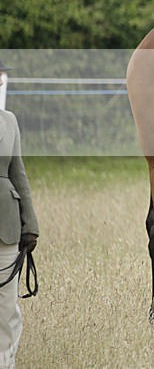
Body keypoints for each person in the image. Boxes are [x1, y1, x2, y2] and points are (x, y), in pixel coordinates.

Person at [0, 62, 38, 368]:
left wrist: (30, 224)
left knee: (6, 308)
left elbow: (19, 174)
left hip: (6, 226)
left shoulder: (9, 121)